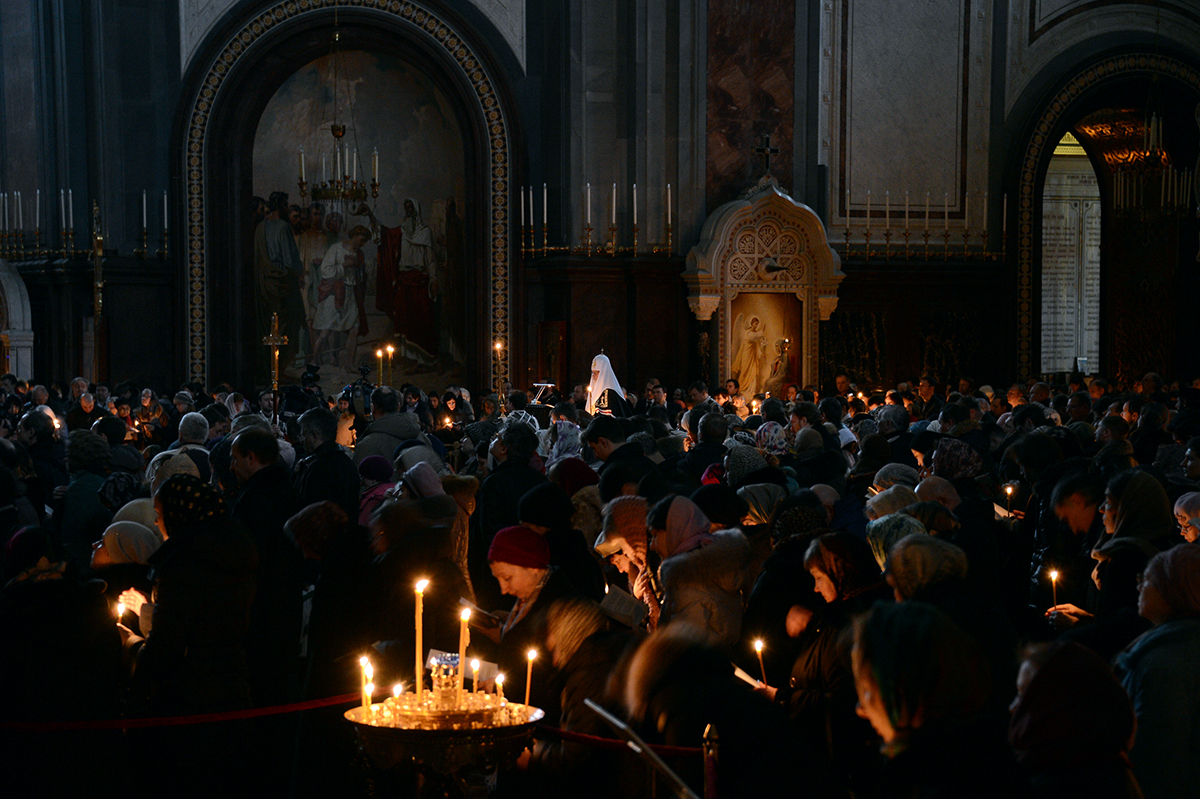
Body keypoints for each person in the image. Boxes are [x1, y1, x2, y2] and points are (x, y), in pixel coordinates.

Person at [850, 601, 1029, 798]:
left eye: (867, 689)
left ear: (907, 690)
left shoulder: (924, 783)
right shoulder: (992, 756)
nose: (861, 709)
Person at [1113, 545, 1200, 799]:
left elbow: (1158, 756)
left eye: (1147, 580)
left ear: (1173, 592)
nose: (1139, 587)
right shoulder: (1177, 646)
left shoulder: (1165, 664)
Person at [1008, 642, 1142, 799]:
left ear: (1062, 706)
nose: (1013, 707)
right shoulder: (1112, 770)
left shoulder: (1051, 785)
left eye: (1026, 696)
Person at [649, 495, 751, 649]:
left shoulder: (688, 582)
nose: (652, 546)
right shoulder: (716, 561)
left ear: (674, 530)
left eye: (655, 535)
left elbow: (686, 652)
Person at [372, 198, 440, 368]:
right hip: (405, 280)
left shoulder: (425, 233)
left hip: (420, 281)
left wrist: (433, 280)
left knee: (422, 319)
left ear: (416, 211)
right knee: (406, 319)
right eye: (406, 208)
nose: (408, 212)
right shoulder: (402, 232)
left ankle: (427, 359)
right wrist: (371, 217)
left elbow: (430, 259)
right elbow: (384, 234)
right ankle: (412, 359)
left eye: (411, 208)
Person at [254, 190, 305, 378]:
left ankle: (271, 370)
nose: (286, 208)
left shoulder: (261, 227)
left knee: (270, 328)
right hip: (283, 285)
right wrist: (300, 272)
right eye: (285, 205)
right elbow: (290, 260)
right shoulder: (283, 227)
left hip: (266, 285)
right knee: (285, 328)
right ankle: (278, 369)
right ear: (281, 206)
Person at [311, 225, 369, 369]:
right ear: (354, 235)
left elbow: (360, 276)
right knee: (325, 332)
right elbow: (326, 271)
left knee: (354, 329)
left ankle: (350, 365)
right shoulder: (336, 248)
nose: (362, 244)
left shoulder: (359, 253)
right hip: (335, 294)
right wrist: (344, 265)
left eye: (364, 242)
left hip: (350, 294)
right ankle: (314, 361)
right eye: (361, 240)